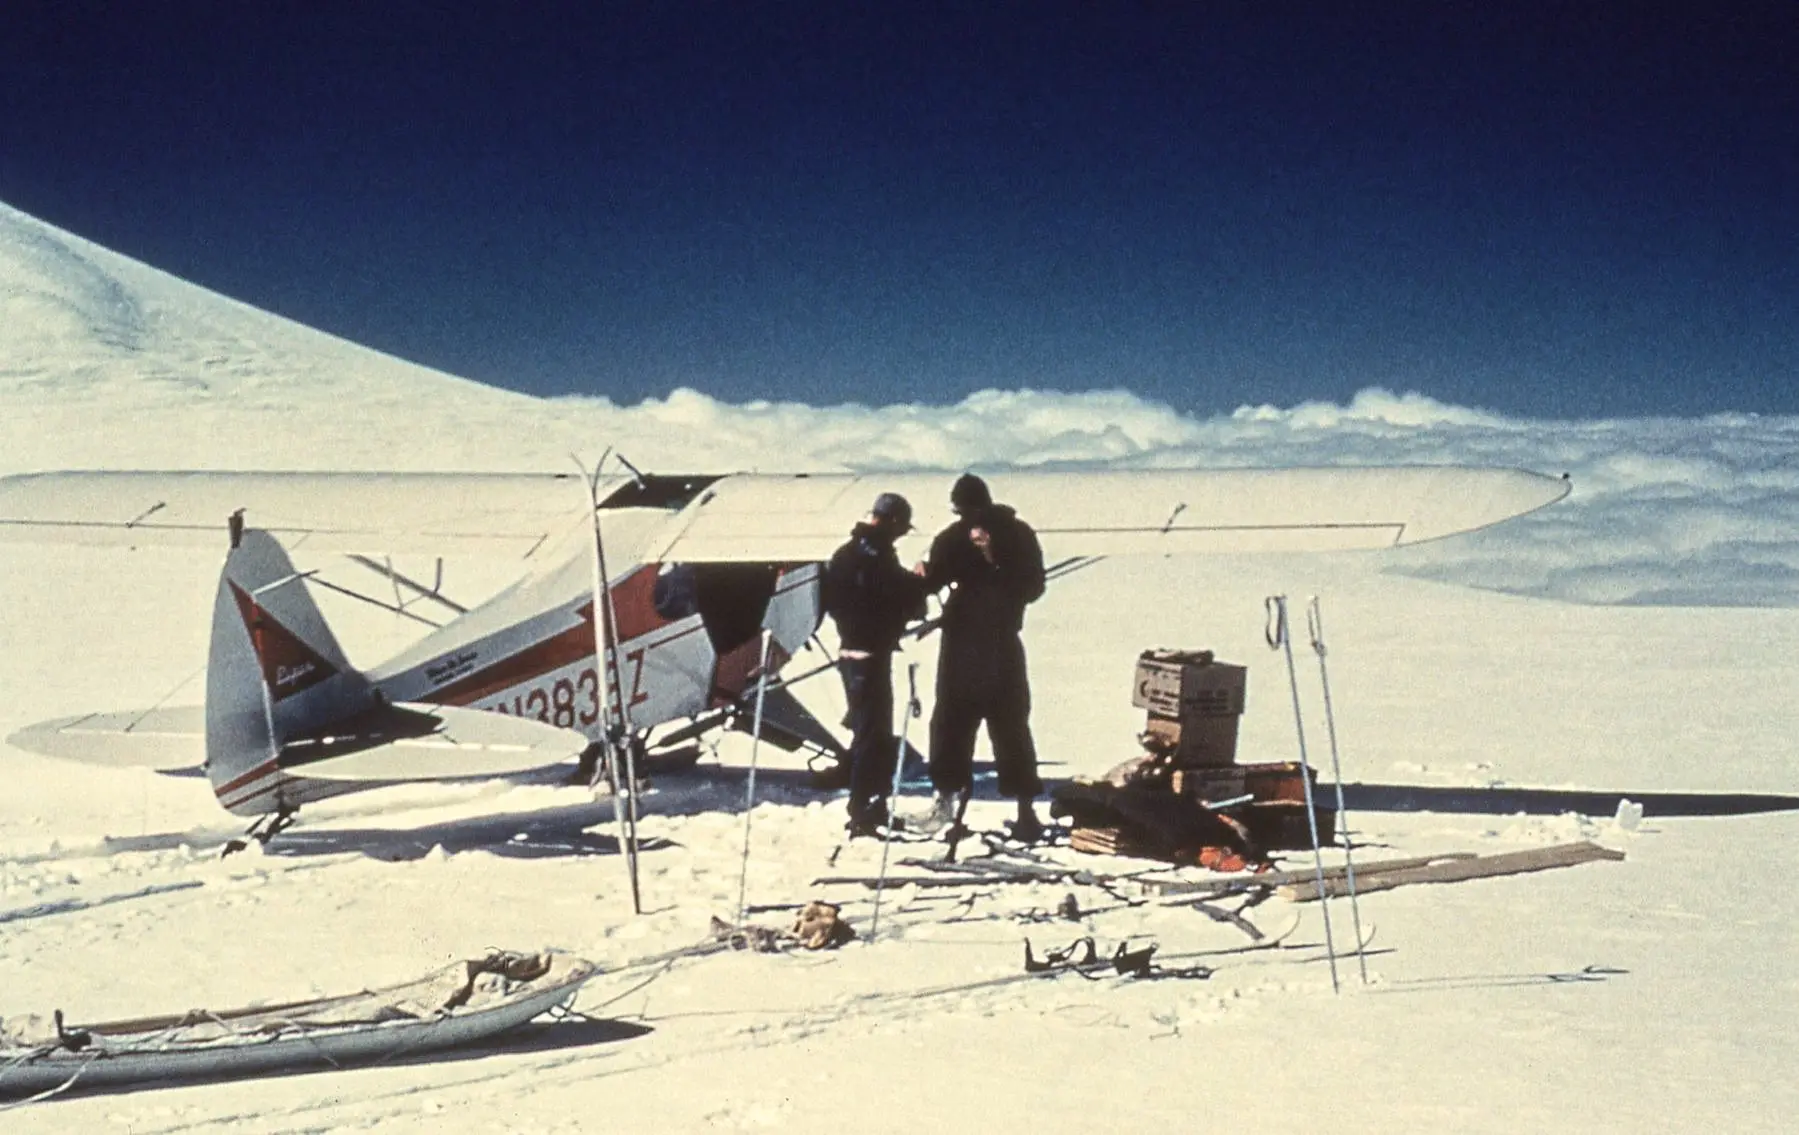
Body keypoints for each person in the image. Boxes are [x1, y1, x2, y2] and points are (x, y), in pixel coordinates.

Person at [918, 473, 1048, 842]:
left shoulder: (952, 537)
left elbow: (930, 584)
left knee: (953, 725)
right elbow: (1034, 587)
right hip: (1001, 644)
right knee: (1010, 727)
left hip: (963, 647)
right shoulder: (1020, 533)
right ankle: (1024, 811)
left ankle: (949, 804)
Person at [820, 492, 930, 837]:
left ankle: (871, 806)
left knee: (870, 734)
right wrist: (921, 582)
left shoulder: (845, 555)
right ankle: (864, 810)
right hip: (870, 658)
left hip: (850, 654)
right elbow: (899, 595)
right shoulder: (877, 557)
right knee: (873, 737)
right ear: (892, 523)